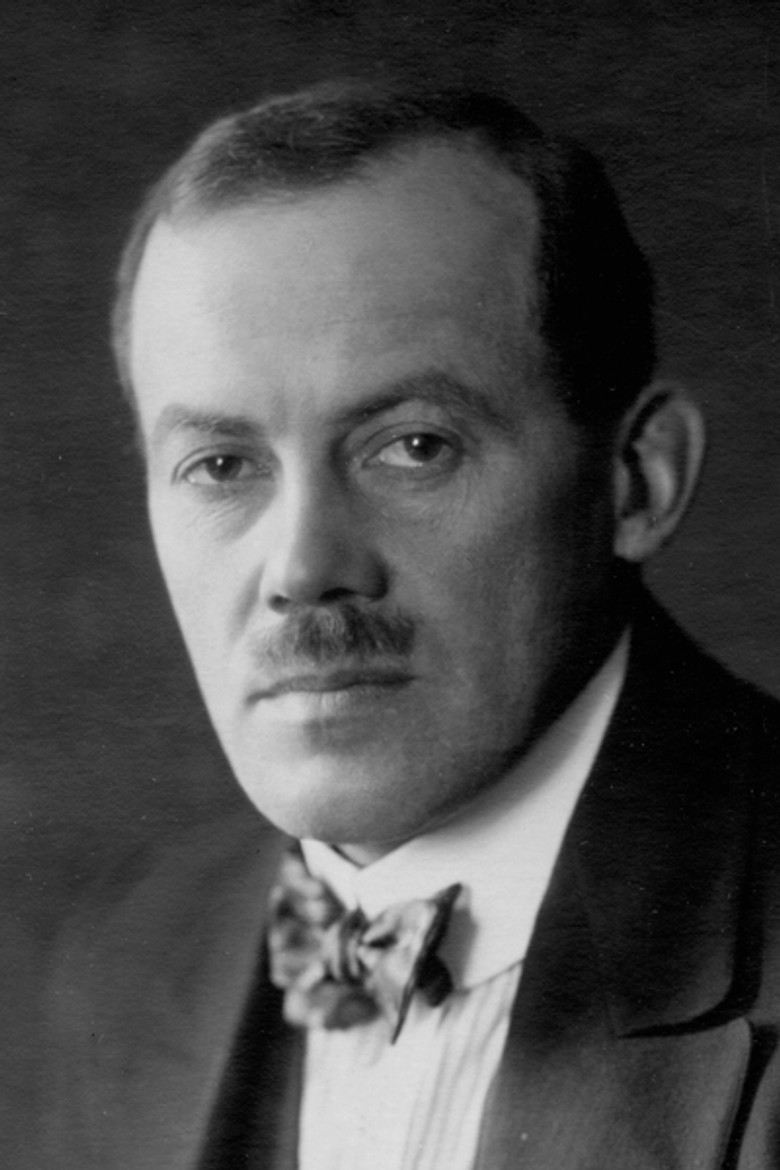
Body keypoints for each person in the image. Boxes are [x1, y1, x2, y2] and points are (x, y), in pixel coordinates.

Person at [44, 81, 780, 1169]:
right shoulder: (132, 957)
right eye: (221, 466)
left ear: (637, 479)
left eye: (413, 447)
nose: (303, 571)